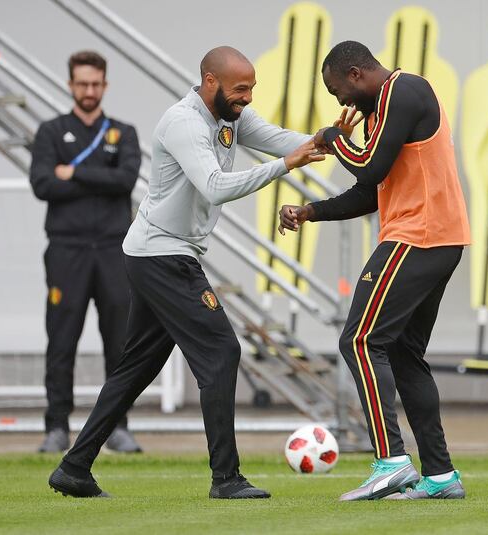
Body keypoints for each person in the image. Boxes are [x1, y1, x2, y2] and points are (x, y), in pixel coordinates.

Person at [48, 46, 324, 499]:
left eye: (252, 89)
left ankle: (74, 468)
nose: (248, 98)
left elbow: (283, 139)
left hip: (159, 253)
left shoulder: (229, 115)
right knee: (221, 350)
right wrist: (285, 167)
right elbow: (215, 187)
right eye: (241, 89)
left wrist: (331, 139)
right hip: (163, 256)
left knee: (136, 367)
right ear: (210, 82)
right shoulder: (184, 122)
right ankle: (226, 479)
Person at [278, 41, 470, 501]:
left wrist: (332, 137)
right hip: (436, 238)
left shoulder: (403, 91)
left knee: (360, 340)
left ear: (357, 73)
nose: (340, 102)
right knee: (403, 354)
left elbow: (369, 167)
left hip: (418, 237)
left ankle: (391, 462)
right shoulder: (382, 109)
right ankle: (441, 476)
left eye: (337, 90)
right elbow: (372, 193)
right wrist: (310, 211)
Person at [30, 50, 143, 454]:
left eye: (96, 84)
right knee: (61, 341)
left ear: (105, 85)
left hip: (114, 250)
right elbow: (43, 184)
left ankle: (119, 426)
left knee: (120, 343)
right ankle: (56, 425)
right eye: (82, 84)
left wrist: (73, 172)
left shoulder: (123, 132)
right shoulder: (49, 132)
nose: (89, 91)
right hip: (66, 251)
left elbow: (126, 180)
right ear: (71, 85)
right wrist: (100, 178)